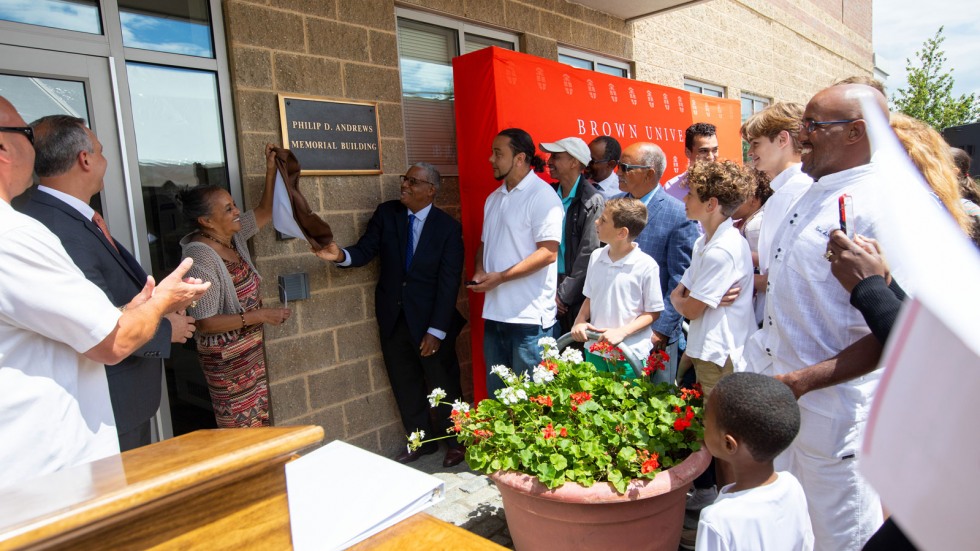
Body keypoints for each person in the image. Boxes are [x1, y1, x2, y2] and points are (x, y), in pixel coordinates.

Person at [0, 96, 209, 488]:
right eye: (99, 150)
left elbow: (77, 309)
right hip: (84, 430)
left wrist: (139, 306)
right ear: (84, 159)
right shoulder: (29, 229)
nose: (104, 159)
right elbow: (108, 338)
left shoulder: (59, 217)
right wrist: (164, 306)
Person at [743, 83, 892, 550]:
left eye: (813, 126)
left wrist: (806, 379)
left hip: (836, 415)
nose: (801, 135)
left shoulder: (881, 206)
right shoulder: (814, 190)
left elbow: (900, 331)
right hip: (789, 399)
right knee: (796, 529)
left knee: (841, 536)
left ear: (856, 132)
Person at [315, 163, 467, 468]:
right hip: (394, 320)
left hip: (431, 324)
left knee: (444, 382)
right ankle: (420, 442)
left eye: (413, 181)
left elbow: (450, 282)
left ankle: (456, 441)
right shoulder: (387, 214)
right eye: (404, 179)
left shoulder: (447, 228)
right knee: (405, 383)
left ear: (431, 190)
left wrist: (436, 330)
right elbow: (364, 250)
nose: (405, 186)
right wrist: (340, 255)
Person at [178, 143, 291, 428]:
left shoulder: (233, 237)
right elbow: (205, 323)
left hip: (248, 355)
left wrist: (269, 170)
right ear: (206, 221)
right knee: (240, 432)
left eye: (234, 205)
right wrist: (262, 316)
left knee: (258, 426)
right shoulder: (200, 255)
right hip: (227, 364)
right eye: (228, 209)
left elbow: (265, 210)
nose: (237, 211)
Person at [469, 128, 564, 396]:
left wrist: (501, 276)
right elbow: (485, 244)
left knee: (535, 403)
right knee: (500, 402)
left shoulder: (542, 196)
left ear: (520, 158)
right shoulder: (494, 198)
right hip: (496, 314)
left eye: (498, 153)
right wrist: (480, 270)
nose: (491, 159)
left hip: (529, 320)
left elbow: (548, 253)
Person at [687, 372, 814, 551]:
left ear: (728, 444)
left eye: (705, 423)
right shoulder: (792, 486)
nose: (702, 428)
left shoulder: (717, 519)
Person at [672, 160, 756, 396]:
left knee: (717, 429)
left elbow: (689, 308)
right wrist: (684, 298)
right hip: (710, 352)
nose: (685, 200)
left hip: (720, 355)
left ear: (711, 204)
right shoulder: (705, 241)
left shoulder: (721, 249)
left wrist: (680, 299)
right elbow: (683, 295)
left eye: (691, 195)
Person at [617, 142, 699, 383]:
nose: (618, 173)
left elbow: (680, 278)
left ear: (649, 173)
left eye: (625, 167)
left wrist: (661, 329)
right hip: (613, 328)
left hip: (653, 334)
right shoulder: (613, 206)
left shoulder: (678, 215)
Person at [570, 197, 663, 376]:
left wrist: (622, 332)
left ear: (622, 233)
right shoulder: (596, 256)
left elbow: (653, 312)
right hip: (595, 349)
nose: (597, 221)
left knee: (625, 402)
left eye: (603, 220)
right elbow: (590, 296)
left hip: (629, 355)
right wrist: (580, 321)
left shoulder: (646, 265)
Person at [741, 102, 812, 282]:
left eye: (756, 143)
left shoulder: (794, 191)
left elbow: (782, 276)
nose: (750, 152)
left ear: (782, 139)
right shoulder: (785, 190)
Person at [540, 136, 605, 336]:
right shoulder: (546, 195)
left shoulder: (592, 200)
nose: (549, 161)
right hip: (545, 288)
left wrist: (563, 296)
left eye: (556, 157)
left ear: (575, 162)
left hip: (575, 295)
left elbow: (589, 253)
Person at [731, 168, 773, 327]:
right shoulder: (747, 223)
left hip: (758, 311)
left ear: (754, 199)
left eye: (738, 196)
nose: (732, 201)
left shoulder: (755, 227)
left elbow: (765, 274)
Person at [663, 122, 719, 201]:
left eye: (715, 150)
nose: (710, 157)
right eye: (703, 151)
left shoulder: (728, 186)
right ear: (688, 152)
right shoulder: (670, 189)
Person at [586, 135, 623, 200]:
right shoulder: (578, 182)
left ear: (611, 164)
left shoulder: (621, 192)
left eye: (592, 161)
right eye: (586, 158)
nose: (586, 164)